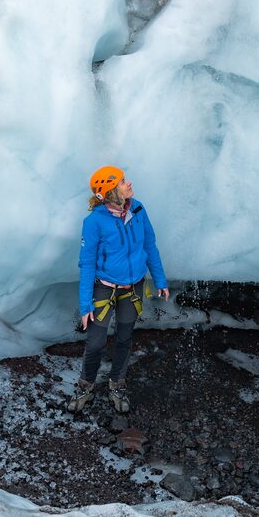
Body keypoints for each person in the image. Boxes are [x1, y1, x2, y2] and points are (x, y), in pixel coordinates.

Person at [70, 165, 169, 414]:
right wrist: (85, 305)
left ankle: (117, 383)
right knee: (95, 343)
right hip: (104, 289)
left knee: (124, 337)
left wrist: (160, 279)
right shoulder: (94, 222)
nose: (129, 183)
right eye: (123, 181)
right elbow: (87, 263)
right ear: (111, 191)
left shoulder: (137, 208)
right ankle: (86, 385)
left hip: (133, 287)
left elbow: (150, 245)